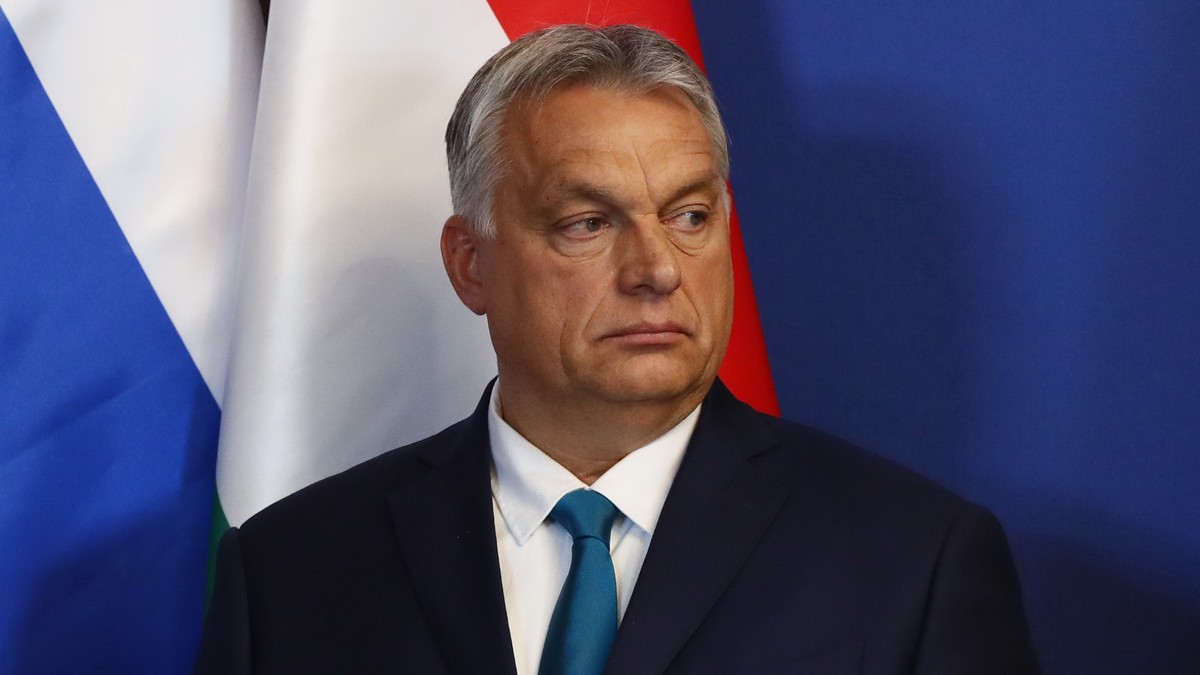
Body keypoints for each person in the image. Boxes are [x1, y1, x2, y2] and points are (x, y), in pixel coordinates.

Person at [194, 24, 1040, 675]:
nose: (657, 269)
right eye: (588, 223)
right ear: (471, 262)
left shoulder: (913, 564)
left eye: (689, 215)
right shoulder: (289, 572)